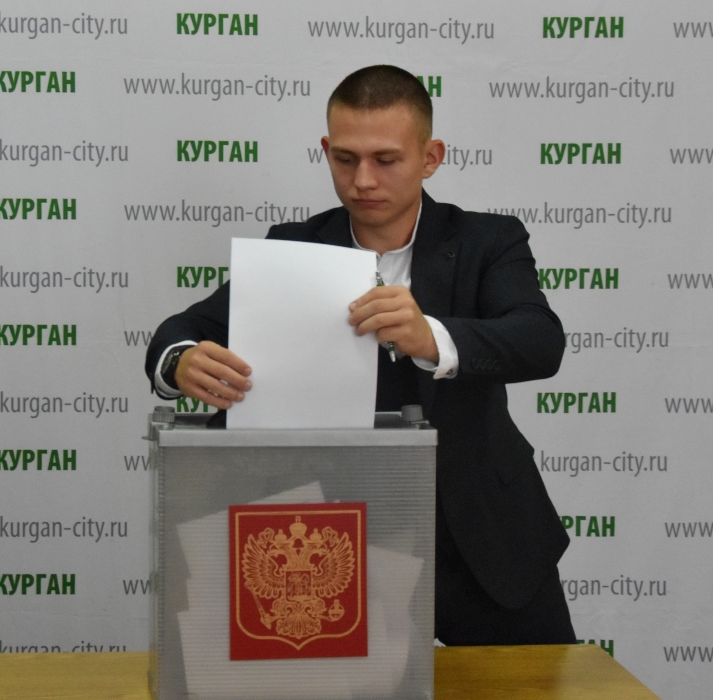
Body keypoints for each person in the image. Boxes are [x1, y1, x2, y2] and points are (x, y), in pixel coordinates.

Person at [145, 65, 575, 645]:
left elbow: (539, 340)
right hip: (330, 542)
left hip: (485, 537)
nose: (362, 180)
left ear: (430, 157)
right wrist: (180, 360)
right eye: (345, 159)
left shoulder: (488, 241)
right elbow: (181, 330)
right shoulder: (291, 247)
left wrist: (433, 338)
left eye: (386, 159)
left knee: (538, 684)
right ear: (326, 150)